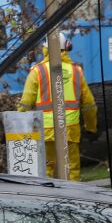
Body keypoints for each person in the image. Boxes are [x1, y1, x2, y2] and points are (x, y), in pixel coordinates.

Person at [17, 31, 97, 180]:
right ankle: (74, 198)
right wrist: (91, 127)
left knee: (47, 169)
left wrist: (19, 128)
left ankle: (50, 199)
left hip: (46, 130)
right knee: (71, 169)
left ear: (46, 49)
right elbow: (89, 104)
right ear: (66, 48)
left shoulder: (37, 71)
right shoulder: (76, 71)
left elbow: (26, 104)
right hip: (70, 129)